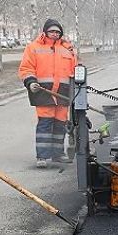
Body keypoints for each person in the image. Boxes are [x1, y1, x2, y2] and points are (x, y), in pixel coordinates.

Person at [18, 19, 78, 168]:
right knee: (45, 124)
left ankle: (58, 154)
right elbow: (26, 68)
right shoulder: (33, 48)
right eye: (52, 31)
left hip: (63, 93)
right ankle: (42, 156)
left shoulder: (68, 49)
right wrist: (30, 82)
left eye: (57, 32)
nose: (55, 34)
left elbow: (76, 68)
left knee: (60, 124)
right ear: (45, 32)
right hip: (43, 91)